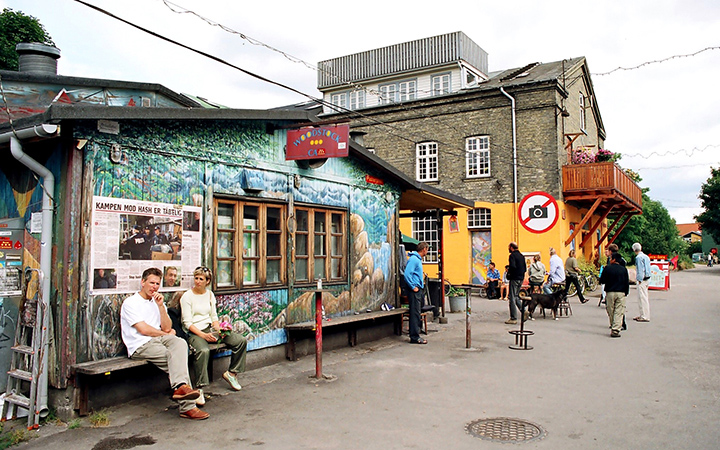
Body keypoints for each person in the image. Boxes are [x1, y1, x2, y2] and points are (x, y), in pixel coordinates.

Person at [120, 267, 208, 420]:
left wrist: (161, 307)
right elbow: (143, 329)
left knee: (180, 344)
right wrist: (165, 333)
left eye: (157, 284)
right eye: (151, 283)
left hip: (159, 339)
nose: (154, 287)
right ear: (142, 282)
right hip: (140, 344)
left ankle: (181, 389)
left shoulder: (156, 301)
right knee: (174, 358)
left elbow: (167, 326)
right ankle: (187, 405)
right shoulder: (131, 303)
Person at [181, 266, 248, 404]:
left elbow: (213, 316)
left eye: (201, 279)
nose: (198, 281)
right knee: (203, 350)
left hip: (209, 329)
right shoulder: (187, 296)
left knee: (240, 340)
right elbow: (187, 323)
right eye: (196, 278)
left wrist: (219, 329)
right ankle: (199, 389)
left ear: (207, 281)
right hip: (195, 332)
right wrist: (203, 336)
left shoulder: (209, 294)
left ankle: (231, 373)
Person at [600, 252, 629, 338]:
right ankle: (616, 328)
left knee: (610, 310)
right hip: (621, 292)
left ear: (614, 259)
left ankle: (613, 324)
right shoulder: (624, 269)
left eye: (611, 258)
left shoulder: (607, 268)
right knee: (619, 311)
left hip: (610, 292)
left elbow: (602, 281)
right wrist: (626, 292)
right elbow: (626, 282)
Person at [404, 241, 429, 344]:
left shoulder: (416, 259)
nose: (427, 252)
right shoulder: (414, 259)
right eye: (427, 249)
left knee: (417, 312)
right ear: (424, 249)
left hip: (418, 289)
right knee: (415, 313)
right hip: (415, 290)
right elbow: (407, 274)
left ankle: (416, 333)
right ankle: (414, 337)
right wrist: (413, 286)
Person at [505, 242, 526, 324]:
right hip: (521, 278)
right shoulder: (521, 256)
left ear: (511, 248)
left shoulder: (512, 256)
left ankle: (513, 318)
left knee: (512, 297)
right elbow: (524, 268)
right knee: (516, 296)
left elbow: (513, 266)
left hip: (514, 278)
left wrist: (509, 271)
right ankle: (524, 311)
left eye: (508, 247)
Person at [633, 242, 651, 322]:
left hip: (642, 280)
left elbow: (640, 269)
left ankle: (644, 316)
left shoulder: (638, 258)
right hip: (647, 278)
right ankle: (643, 314)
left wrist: (639, 279)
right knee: (645, 297)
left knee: (642, 298)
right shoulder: (646, 257)